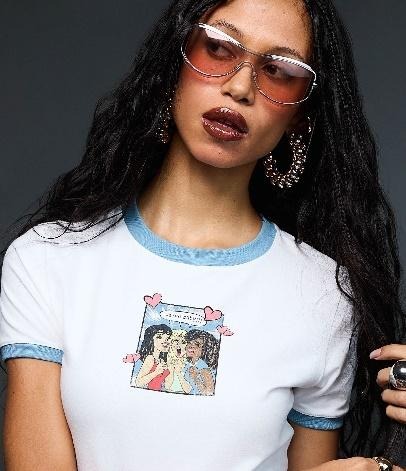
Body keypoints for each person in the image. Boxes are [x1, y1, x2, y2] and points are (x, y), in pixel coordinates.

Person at [0, 0, 405, 470]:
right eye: (218, 48)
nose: (240, 87)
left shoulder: (324, 293)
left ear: (300, 114)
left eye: (279, 71)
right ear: (174, 61)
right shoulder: (49, 259)